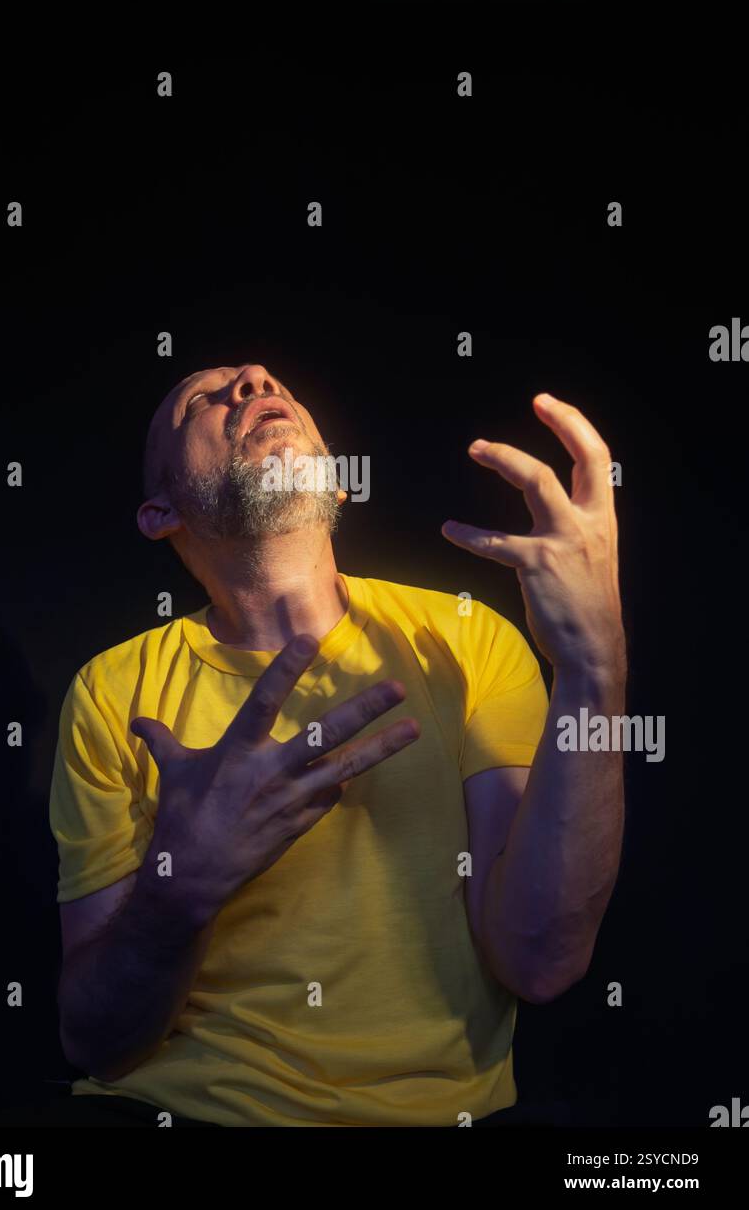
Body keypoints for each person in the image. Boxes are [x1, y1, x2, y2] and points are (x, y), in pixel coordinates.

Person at [48, 362, 626, 1128]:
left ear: (337, 482)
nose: (252, 381)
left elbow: (540, 962)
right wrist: (180, 887)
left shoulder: (467, 642)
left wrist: (595, 669)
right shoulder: (111, 691)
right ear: (161, 513)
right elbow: (96, 1043)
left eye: (264, 382)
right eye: (201, 400)